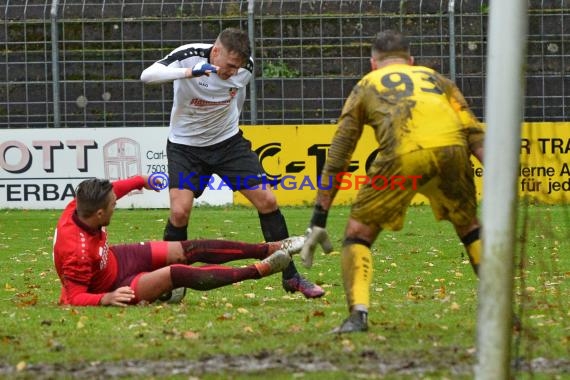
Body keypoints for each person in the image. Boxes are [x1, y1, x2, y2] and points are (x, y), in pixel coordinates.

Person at [300, 30, 485, 333]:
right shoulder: (438, 80)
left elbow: (340, 153)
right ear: (410, 61)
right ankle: (501, 308)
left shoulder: (367, 84)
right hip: (452, 154)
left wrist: (319, 216)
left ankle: (357, 316)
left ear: (374, 64)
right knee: (470, 228)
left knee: (357, 234)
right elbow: (474, 134)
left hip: (403, 159)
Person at [140, 27, 324, 299]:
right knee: (179, 213)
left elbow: (236, 98)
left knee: (268, 201)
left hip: (227, 144)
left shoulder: (244, 69)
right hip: (185, 148)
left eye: (237, 67)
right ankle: (168, 281)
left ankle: (291, 276)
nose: (232, 71)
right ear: (216, 51)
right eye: (228, 65)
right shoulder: (187, 56)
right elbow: (147, 76)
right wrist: (191, 73)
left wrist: (229, 128)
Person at [52, 175, 305, 306]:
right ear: (98, 214)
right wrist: (105, 299)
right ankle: (258, 270)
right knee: (176, 273)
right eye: (112, 206)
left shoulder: (81, 206)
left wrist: (142, 180)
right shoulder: (77, 251)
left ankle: (269, 248)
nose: (115, 206)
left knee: (188, 248)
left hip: (118, 259)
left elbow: (113, 190)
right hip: (114, 287)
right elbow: (73, 298)